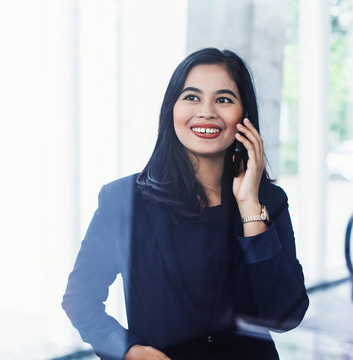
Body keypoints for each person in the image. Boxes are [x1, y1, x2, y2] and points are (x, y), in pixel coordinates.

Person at [62, 48, 309, 360]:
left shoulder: (268, 201)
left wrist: (250, 207)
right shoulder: (122, 200)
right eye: (192, 97)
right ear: (171, 110)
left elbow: (286, 315)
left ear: (243, 117)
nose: (206, 112)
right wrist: (128, 350)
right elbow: (80, 299)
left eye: (223, 99)